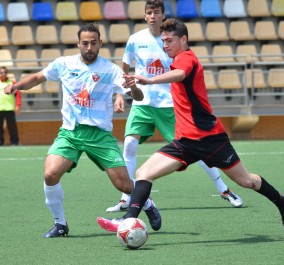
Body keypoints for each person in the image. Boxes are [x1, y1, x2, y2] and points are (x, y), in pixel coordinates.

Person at [97, 18, 284, 234]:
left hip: (210, 139)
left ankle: (281, 202)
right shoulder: (176, 59)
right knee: (144, 172)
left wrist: (150, 80)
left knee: (247, 181)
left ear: (183, 39)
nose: (165, 45)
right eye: (163, 41)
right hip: (184, 142)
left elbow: (180, 74)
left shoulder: (187, 58)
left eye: (169, 40)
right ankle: (127, 220)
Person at [4, 23, 161, 238]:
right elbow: (38, 77)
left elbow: (139, 97)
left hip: (99, 135)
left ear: (100, 44)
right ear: (78, 43)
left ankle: (148, 203)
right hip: (70, 133)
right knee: (50, 174)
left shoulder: (111, 70)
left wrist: (133, 87)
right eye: (85, 43)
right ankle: (60, 224)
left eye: (93, 43)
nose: (89, 47)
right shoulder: (64, 64)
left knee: (123, 184)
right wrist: (17, 86)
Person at [106, 0, 242, 213]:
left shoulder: (170, 40)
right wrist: (119, 94)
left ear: (162, 15)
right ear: (144, 16)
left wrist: (153, 80)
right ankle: (126, 197)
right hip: (143, 103)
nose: (152, 16)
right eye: (149, 12)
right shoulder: (135, 40)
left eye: (156, 12)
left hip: (170, 105)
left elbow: (182, 70)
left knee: (196, 151)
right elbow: (124, 67)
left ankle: (224, 189)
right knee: (130, 145)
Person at [0, 66, 21, 146]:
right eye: (1, 72)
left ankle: (14, 142)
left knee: (12, 127)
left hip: (9, 108)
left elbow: (18, 94)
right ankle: (0, 142)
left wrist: (18, 105)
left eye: (5, 72)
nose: (3, 74)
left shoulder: (12, 83)